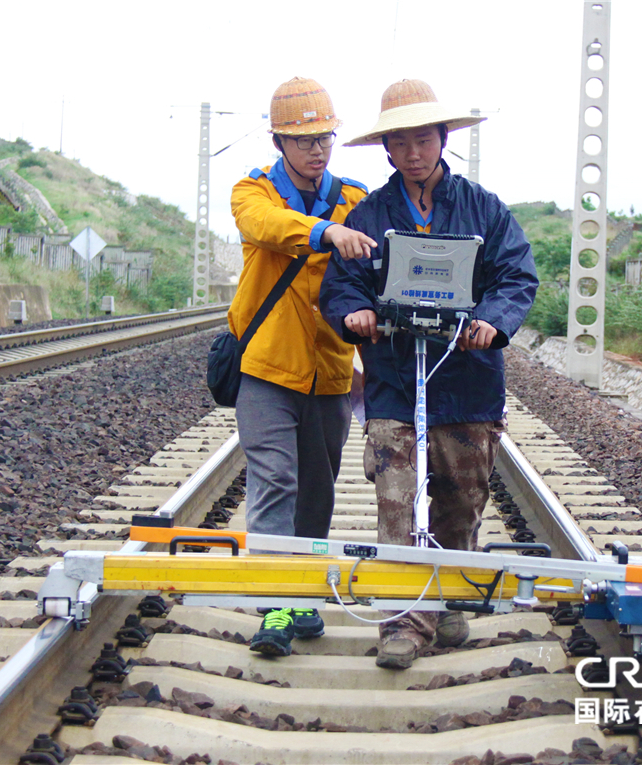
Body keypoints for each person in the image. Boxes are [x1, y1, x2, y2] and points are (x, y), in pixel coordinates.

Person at [320, 79, 539, 669]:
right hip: (393, 383)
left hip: (466, 384)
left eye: (424, 139)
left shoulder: (484, 209)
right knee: (399, 504)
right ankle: (404, 623)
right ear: (386, 150)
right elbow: (341, 286)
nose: (414, 152)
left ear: (443, 140)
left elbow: (516, 277)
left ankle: (445, 599)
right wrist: (355, 313)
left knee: (460, 503)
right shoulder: (370, 214)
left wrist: (492, 320)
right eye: (401, 142)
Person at [229, 76, 375, 657]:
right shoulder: (253, 192)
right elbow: (263, 228)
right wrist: (325, 232)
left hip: (331, 372)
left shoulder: (355, 198)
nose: (317, 149)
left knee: (317, 491)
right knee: (275, 483)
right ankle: (276, 606)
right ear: (279, 141)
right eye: (304, 139)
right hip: (266, 368)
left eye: (325, 137)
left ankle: (302, 594)